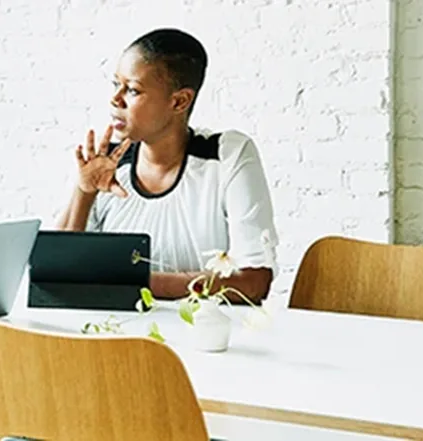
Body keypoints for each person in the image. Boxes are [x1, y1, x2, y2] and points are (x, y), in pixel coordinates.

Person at [56, 28, 279, 303]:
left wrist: (129, 282)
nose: (116, 100)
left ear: (179, 101)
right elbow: (56, 276)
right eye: (116, 85)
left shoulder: (227, 156)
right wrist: (84, 191)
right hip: (118, 336)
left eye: (133, 90)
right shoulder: (107, 163)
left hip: (201, 339)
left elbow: (254, 281)